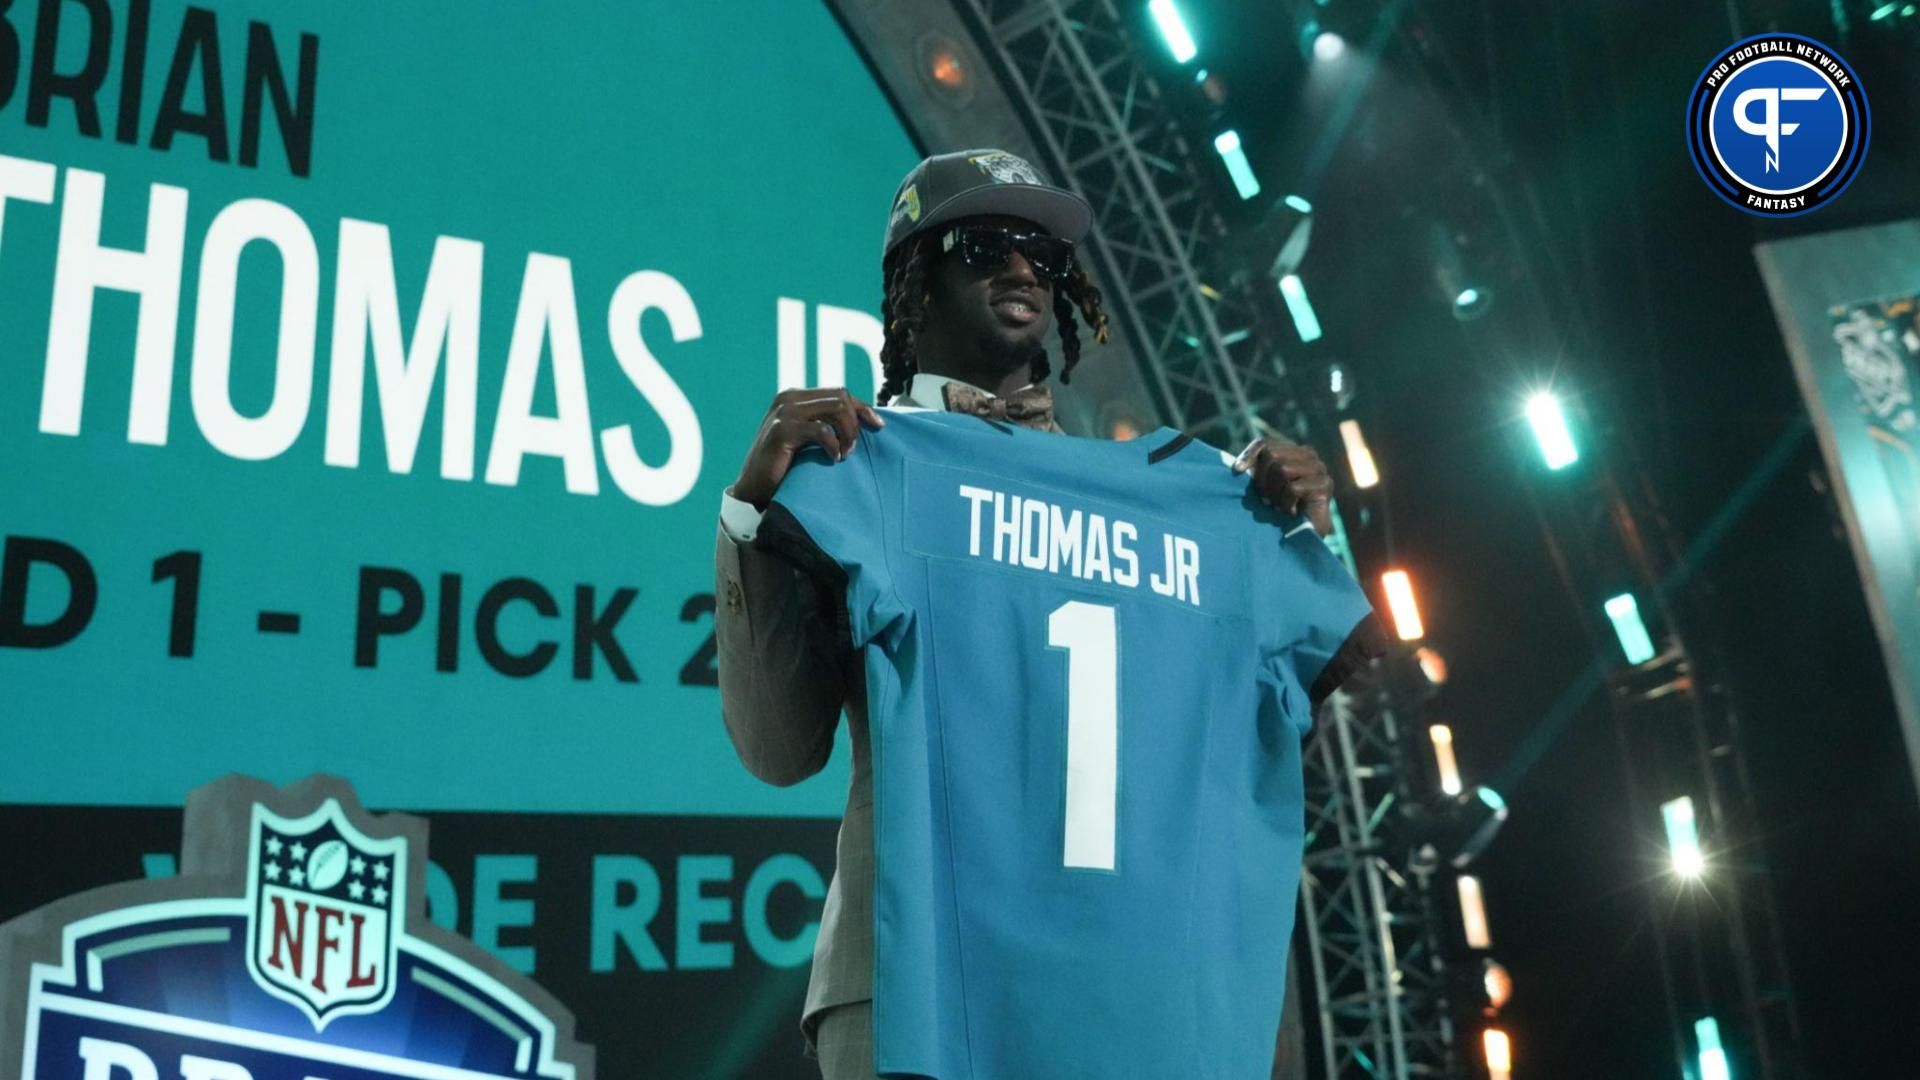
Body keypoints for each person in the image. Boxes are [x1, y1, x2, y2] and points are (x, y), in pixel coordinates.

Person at [714, 149, 1336, 1079]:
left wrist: (1288, 536)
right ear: (912, 282)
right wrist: (752, 521)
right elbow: (778, 750)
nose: (1020, 269)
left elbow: (1227, 751)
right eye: (985, 243)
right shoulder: (858, 471)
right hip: (916, 981)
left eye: (1042, 255)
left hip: (1116, 984)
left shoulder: (1168, 505)